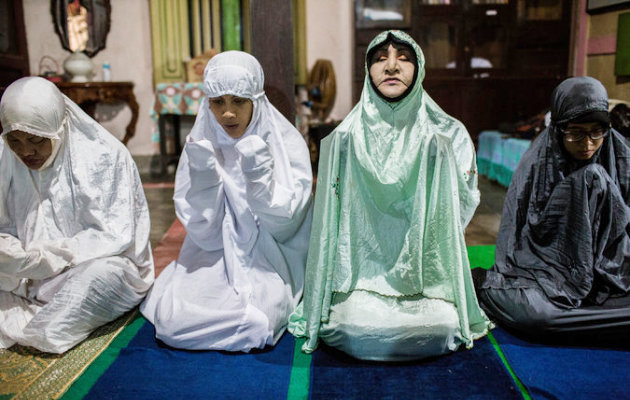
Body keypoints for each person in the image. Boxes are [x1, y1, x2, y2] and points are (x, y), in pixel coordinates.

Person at [288, 30, 491, 361]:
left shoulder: (447, 134)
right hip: (361, 279)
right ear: (368, 70)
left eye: (404, 59)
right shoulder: (346, 138)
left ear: (419, 69)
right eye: (381, 59)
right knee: (352, 329)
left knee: (441, 326)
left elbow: (461, 207)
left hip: (427, 276)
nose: (392, 67)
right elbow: (331, 224)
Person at [140, 51, 313, 351]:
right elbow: (203, 235)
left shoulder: (286, 144)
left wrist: (259, 181)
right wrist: (205, 179)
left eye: (238, 101)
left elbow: (286, 227)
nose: (228, 113)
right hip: (212, 258)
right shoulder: (201, 144)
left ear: (255, 101)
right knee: (172, 320)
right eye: (218, 102)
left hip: (269, 260)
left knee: (257, 323)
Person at [0, 77, 154, 354]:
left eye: (36, 140)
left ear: (59, 126)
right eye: (14, 141)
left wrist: (46, 258)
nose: (25, 151)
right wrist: (16, 256)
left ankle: (42, 323)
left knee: (99, 279)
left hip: (84, 267)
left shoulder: (105, 156)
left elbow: (116, 235)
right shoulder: (4, 156)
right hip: (21, 275)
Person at [477, 76, 630, 339]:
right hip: (549, 272)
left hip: (611, 273)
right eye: (576, 133)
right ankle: (486, 289)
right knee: (536, 315)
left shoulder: (620, 155)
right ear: (559, 129)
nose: (588, 144)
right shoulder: (538, 163)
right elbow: (516, 236)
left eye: (596, 132)